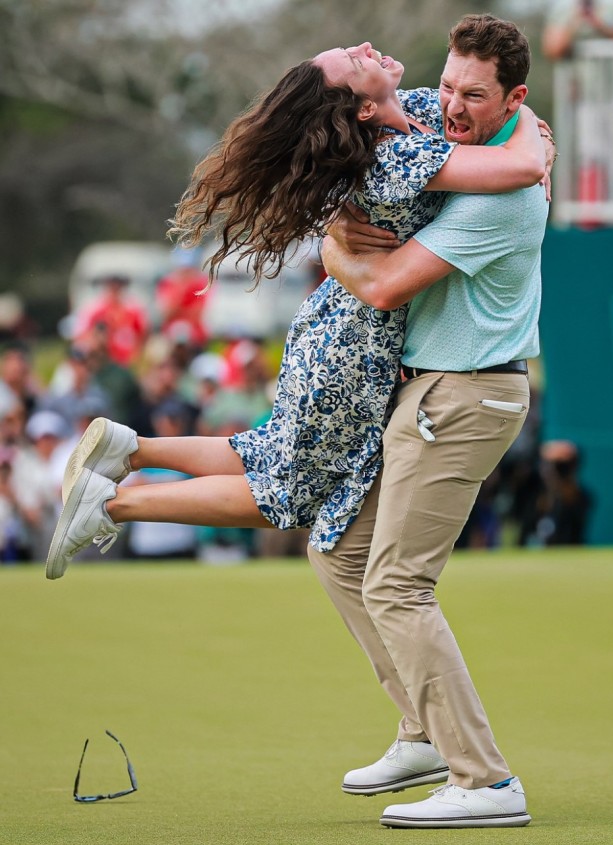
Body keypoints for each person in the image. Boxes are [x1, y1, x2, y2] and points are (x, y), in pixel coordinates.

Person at [45, 32, 550, 579]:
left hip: (335, 325)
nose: (363, 44)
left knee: (271, 453)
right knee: (289, 492)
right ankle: (113, 504)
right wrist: (528, 126)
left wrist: (529, 127)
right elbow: (522, 168)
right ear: (363, 105)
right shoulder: (394, 154)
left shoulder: (422, 110)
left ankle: (132, 450)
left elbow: (497, 123)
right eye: (354, 61)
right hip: (354, 345)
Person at [315, 13, 550, 828]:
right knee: (339, 550)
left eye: (473, 95)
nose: (451, 104)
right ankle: (422, 729)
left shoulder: (505, 192)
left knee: (396, 583)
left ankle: (484, 780)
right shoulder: (494, 148)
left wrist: (333, 251)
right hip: (436, 389)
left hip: (465, 394)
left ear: (513, 97)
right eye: (447, 84)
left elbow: (381, 285)